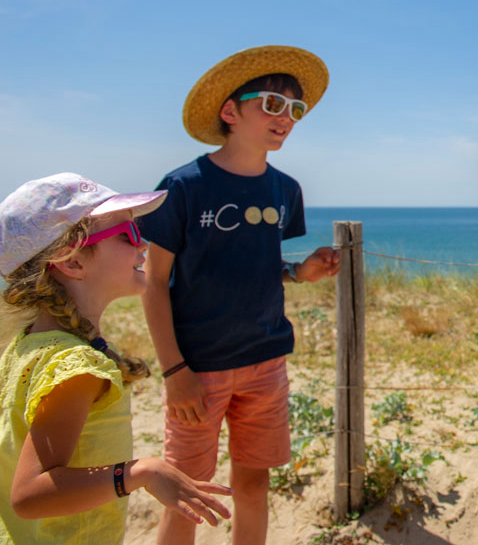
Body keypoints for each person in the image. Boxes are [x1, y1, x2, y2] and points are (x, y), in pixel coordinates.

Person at [137, 45, 341, 545]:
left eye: (294, 110)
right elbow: (152, 282)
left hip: (266, 363)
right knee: (186, 494)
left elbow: (255, 265)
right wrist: (174, 372)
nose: (286, 118)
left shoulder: (284, 190)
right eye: (271, 104)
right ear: (230, 111)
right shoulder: (183, 187)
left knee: (253, 483)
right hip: (196, 369)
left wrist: (300, 273)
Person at [0, 172, 233, 544]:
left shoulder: (29, 345)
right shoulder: (75, 367)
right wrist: (142, 472)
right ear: (72, 262)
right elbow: (28, 495)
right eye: (129, 235)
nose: (144, 245)